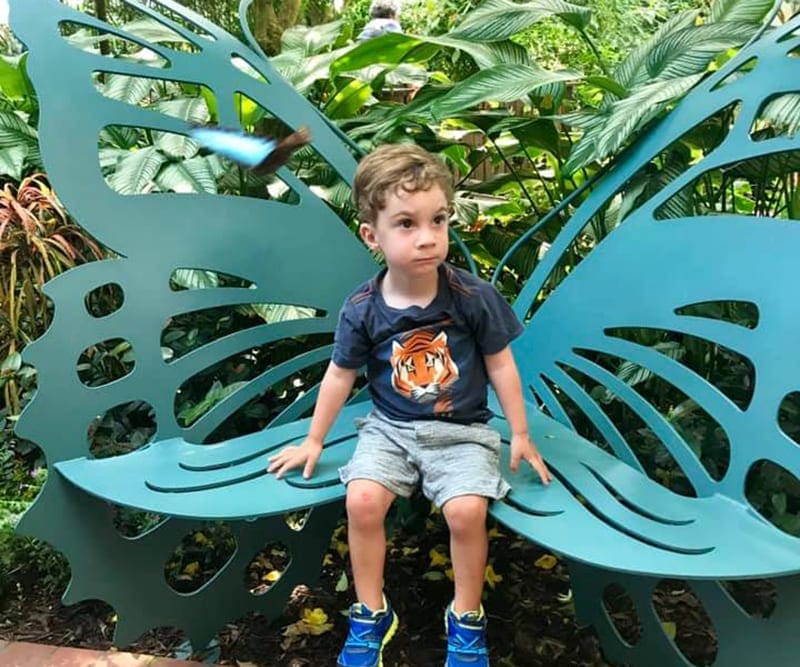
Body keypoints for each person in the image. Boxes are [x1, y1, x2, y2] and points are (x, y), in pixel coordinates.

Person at [267, 143, 552, 667]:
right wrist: (313, 439)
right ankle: (370, 611)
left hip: (462, 431)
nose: (428, 237)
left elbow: (502, 365)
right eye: (406, 223)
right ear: (371, 236)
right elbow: (339, 375)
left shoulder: (472, 297)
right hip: (389, 431)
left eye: (438, 219)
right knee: (361, 502)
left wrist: (522, 433)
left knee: (467, 511)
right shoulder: (363, 308)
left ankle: (466, 618)